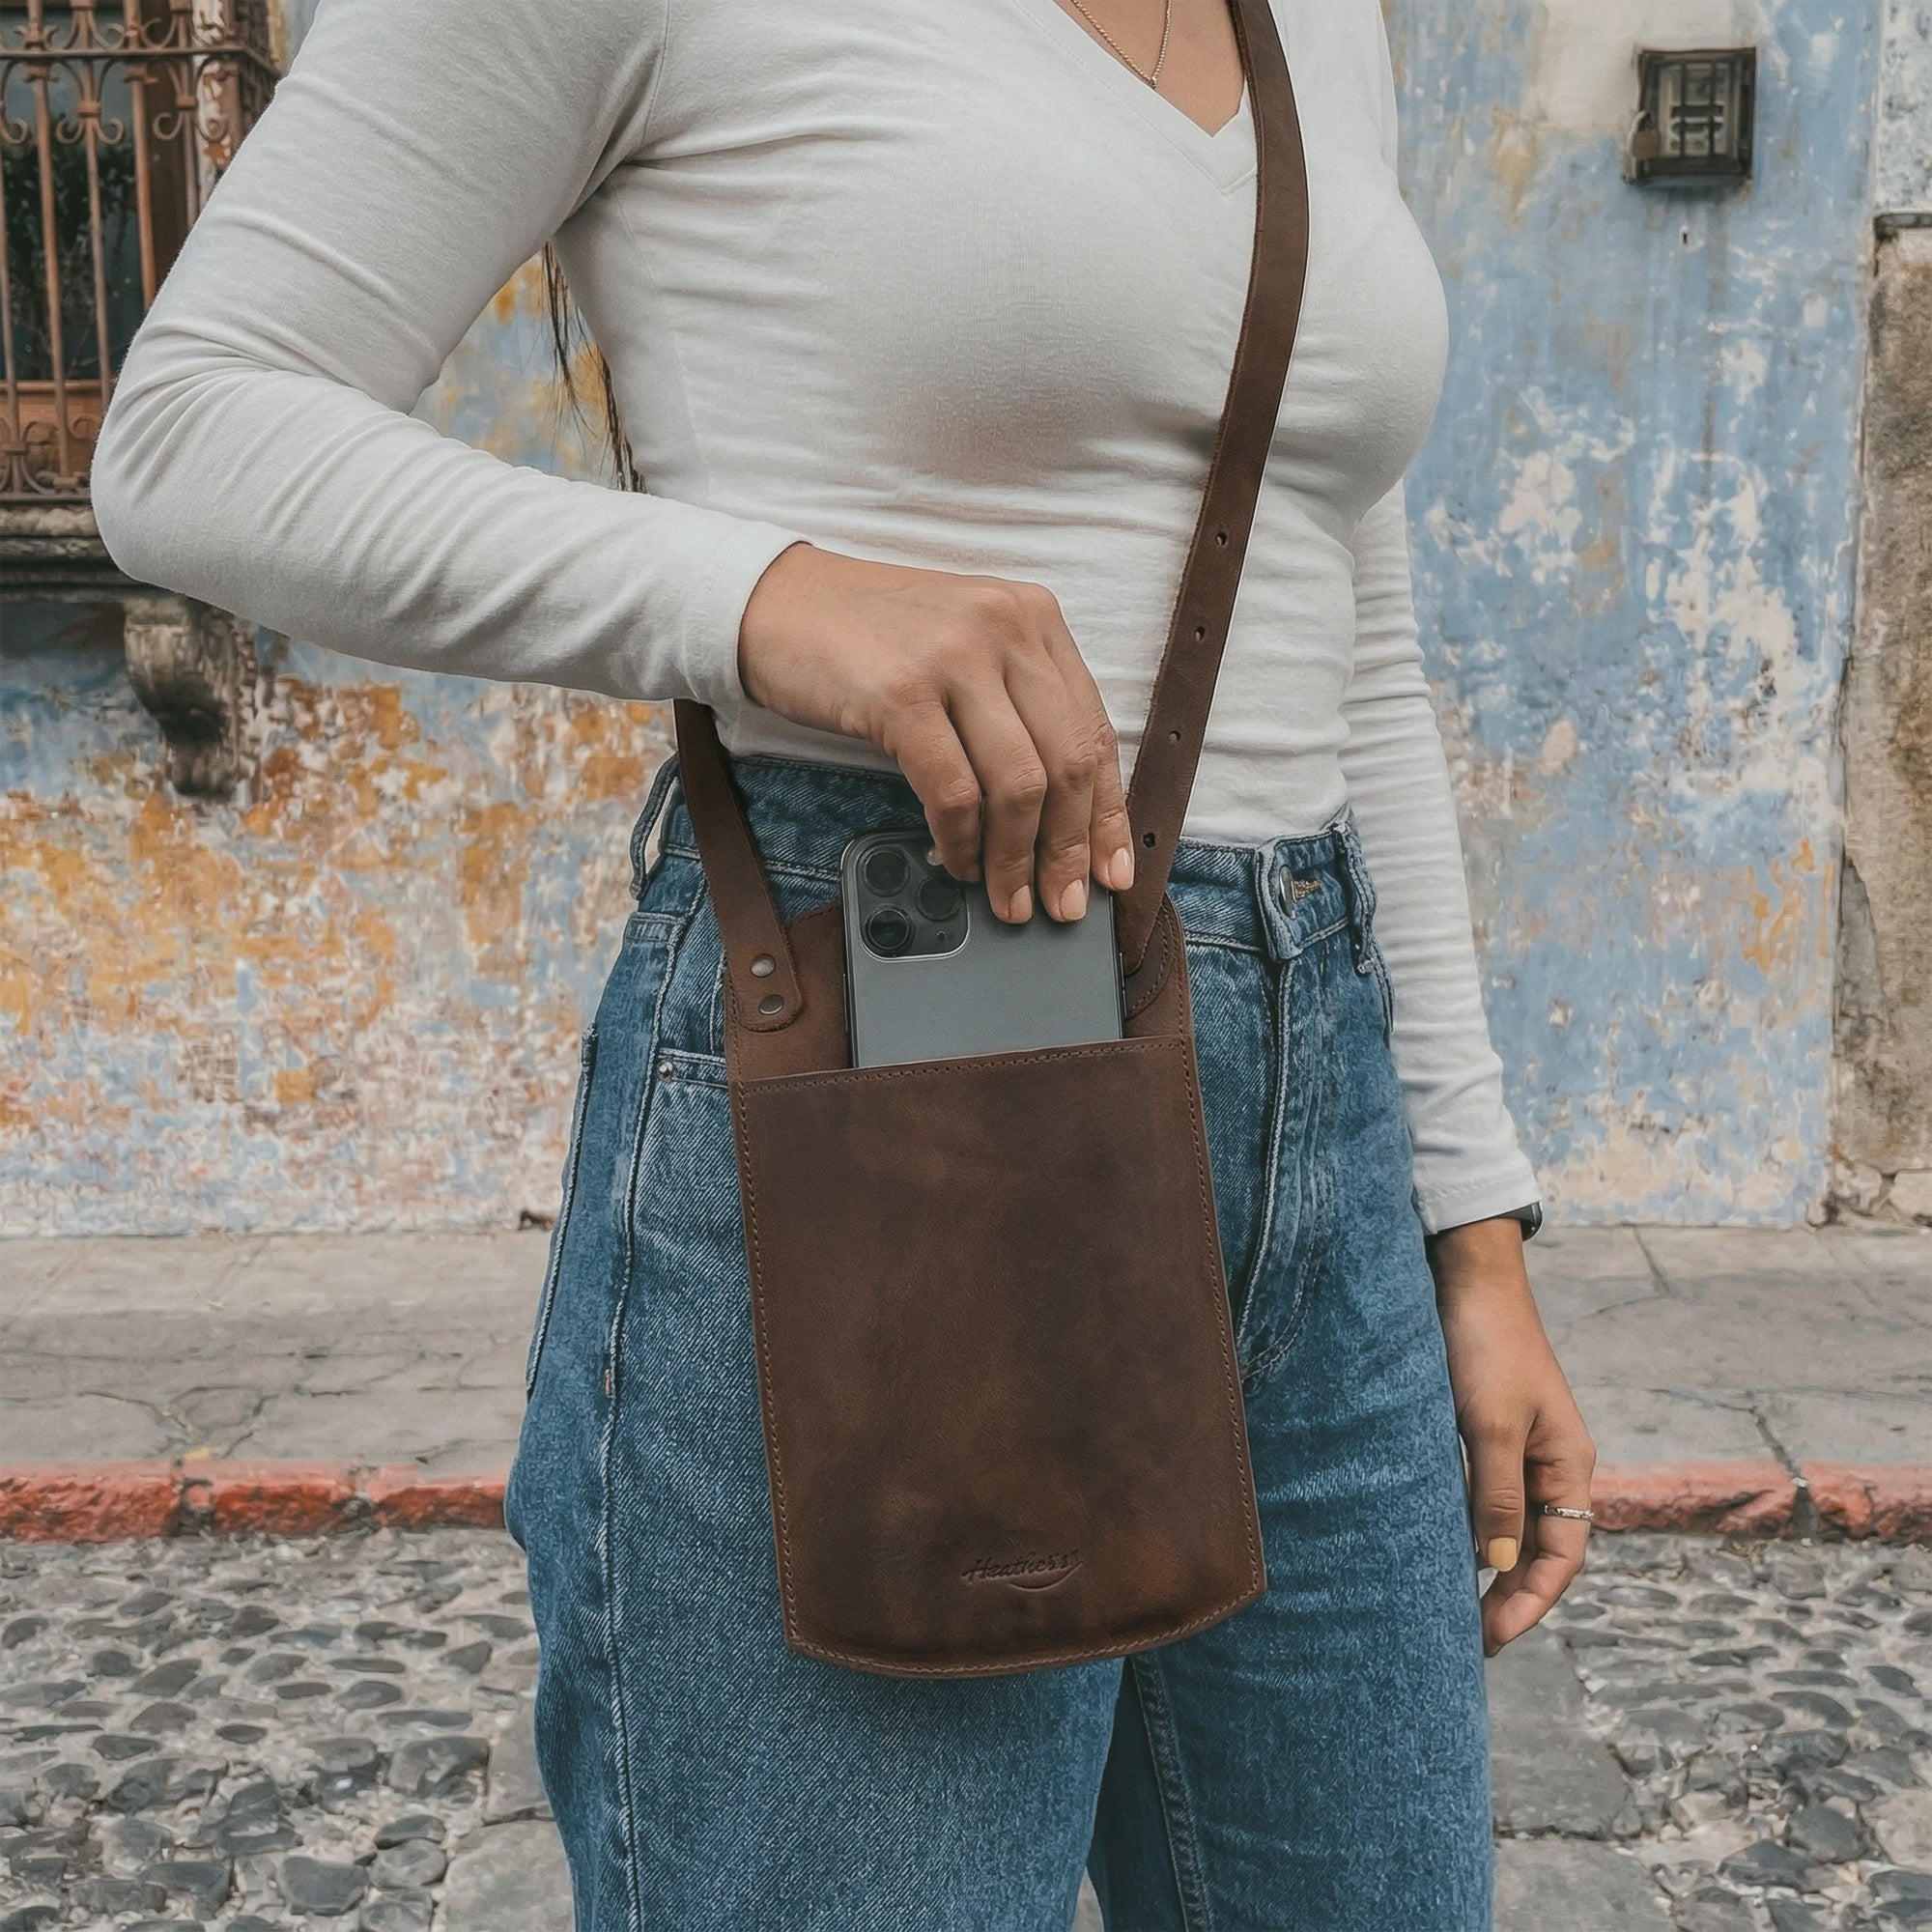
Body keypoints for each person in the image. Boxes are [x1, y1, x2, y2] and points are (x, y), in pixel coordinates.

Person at [92, 0, 1598, 1924]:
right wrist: (769, 597)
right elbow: (192, 426)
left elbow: (1345, 601)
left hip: (1316, 1091)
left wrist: (1470, 1230)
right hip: (889, 1037)